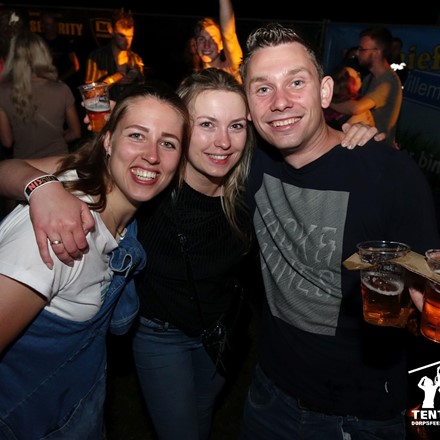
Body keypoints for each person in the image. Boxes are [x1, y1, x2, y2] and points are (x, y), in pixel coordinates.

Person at [235, 22, 440, 440]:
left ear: (325, 92)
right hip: (270, 397)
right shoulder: (245, 163)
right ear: (249, 108)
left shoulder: (388, 174)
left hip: (360, 417)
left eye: (296, 82)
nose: (280, 101)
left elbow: (429, 288)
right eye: (263, 88)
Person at [0, 82, 190, 439]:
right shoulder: (59, 235)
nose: (152, 155)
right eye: (137, 135)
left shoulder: (110, 201)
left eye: (168, 143)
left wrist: (35, 183)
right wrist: (39, 187)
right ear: (108, 141)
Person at [0, 29, 81, 159]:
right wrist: (55, 141)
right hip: (57, 162)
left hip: (24, 165)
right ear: (43, 54)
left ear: (12, 58)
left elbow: (7, 141)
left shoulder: (3, 93)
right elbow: (76, 133)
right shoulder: (62, 89)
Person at [330, 26, 403, 148]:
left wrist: (326, 101)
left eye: (362, 49)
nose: (357, 53)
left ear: (377, 52)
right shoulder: (370, 77)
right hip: (367, 144)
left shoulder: (388, 82)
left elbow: (356, 108)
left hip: (380, 149)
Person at [85, 8, 145, 101]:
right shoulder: (96, 57)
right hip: (106, 109)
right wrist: (112, 79)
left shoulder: (136, 59)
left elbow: (144, 94)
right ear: (111, 31)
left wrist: (138, 77)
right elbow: (89, 95)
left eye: (130, 36)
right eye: (122, 36)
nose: (127, 41)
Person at [189, 0, 243, 83]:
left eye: (213, 39)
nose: (206, 45)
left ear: (221, 44)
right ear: (195, 44)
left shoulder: (231, 69)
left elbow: (229, 35)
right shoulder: (192, 82)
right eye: (201, 39)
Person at [40, 10, 81, 91]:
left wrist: (60, 79)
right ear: (43, 25)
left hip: (63, 84)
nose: (52, 27)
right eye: (48, 24)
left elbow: (76, 66)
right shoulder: (39, 42)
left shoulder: (65, 41)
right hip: (44, 83)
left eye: (53, 24)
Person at [324, 64, 374, 130]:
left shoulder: (330, 107)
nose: (359, 74)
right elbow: (355, 109)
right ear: (351, 84)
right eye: (357, 76)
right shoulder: (353, 109)